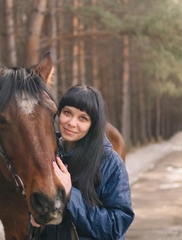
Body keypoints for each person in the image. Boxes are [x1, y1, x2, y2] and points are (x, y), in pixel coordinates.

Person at [30, 84, 134, 240]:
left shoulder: (111, 164)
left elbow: (116, 227)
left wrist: (71, 194)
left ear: (93, 124)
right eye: (67, 113)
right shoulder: (49, 155)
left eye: (83, 118)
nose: (72, 123)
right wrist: (35, 222)